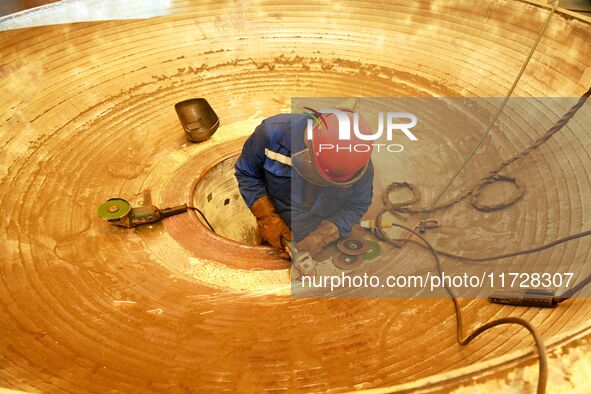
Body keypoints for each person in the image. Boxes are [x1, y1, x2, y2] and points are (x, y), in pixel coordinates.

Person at [234, 109, 374, 260]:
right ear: (309, 149)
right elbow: (247, 173)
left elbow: (357, 204)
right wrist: (267, 216)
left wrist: (320, 237)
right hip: (275, 229)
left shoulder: (356, 165)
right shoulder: (272, 134)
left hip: (317, 233)